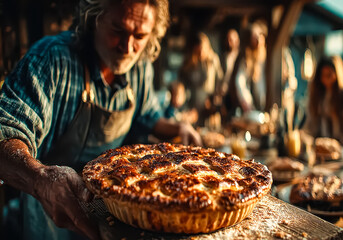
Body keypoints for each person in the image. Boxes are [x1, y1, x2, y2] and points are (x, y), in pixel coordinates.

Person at [0, 0, 202, 239]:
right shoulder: (51, 60)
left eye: (140, 36)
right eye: (118, 30)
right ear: (93, 18)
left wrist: (178, 126)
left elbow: (147, 116)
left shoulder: (139, 68)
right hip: (50, 213)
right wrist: (42, 179)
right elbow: (5, 132)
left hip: (111, 212)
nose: (128, 47)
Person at [303, 56, 343, 159]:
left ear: (337, 74)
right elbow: (311, 120)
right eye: (323, 75)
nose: (326, 79)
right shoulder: (317, 92)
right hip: (324, 150)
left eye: (329, 75)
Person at [179, 32, 223, 125]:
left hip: (210, 104)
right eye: (198, 51)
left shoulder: (213, 61)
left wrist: (214, 100)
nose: (201, 53)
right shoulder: (189, 63)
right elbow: (183, 86)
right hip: (193, 104)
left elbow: (219, 82)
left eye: (203, 49)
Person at [230, 21, 267, 113]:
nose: (258, 39)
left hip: (262, 103)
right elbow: (240, 81)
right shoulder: (245, 57)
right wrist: (247, 102)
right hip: (248, 106)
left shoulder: (265, 56)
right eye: (254, 36)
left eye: (259, 36)